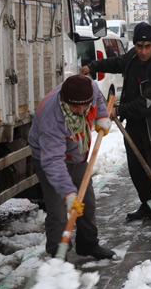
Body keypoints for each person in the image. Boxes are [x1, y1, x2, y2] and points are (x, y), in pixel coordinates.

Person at [80, 22, 151, 222]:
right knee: (136, 170)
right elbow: (116, 63)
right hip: (134, 125)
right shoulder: (132, 57)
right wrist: (93, 66)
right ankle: (148, 206)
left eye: (147, 46)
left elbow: (146, 103)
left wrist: (119, 109)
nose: (143, 51)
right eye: (139, 46)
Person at [28, 75, 115, 260]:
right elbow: (53, 161)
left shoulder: (89, 88)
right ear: (65, 101)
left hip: (77, 152)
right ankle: (58, 256)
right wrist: (68, 193)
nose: (82, 111)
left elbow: (98, 98)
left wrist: (100, 116)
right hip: (49, 160)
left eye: (85, 106)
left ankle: (88, 244)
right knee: (58, 211)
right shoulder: (52, 118)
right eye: (75, 107)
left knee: (87, 202)